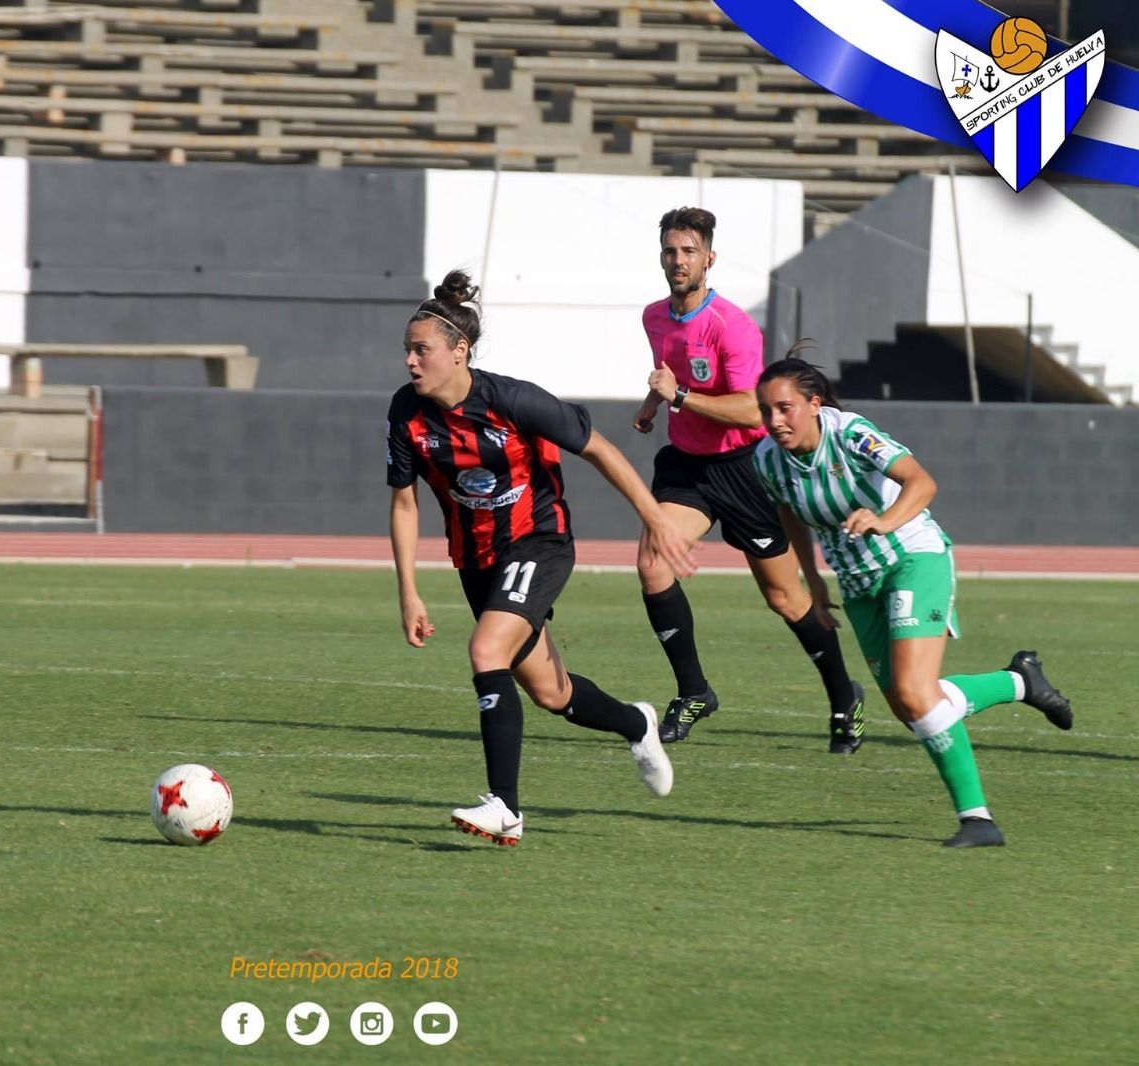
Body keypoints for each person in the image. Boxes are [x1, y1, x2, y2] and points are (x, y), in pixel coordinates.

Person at [388, 270, 697, 846]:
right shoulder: (406, 413)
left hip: (538, 542)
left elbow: (600, 449)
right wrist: (408, 589)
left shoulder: (513, 399)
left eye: (421, 349)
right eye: (407, 349)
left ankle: (505, 808)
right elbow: (404, 503)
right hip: (475, 561)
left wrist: (656, 520)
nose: (410, 360)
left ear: (460, 352)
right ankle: (638, 723)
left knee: (485, 650)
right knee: (552, 693)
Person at [753, 356, 1071, 847]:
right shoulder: (768, 460)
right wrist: (812, 580)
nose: (775, 421)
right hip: (858, 585)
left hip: (913, 558)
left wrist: (884, 520)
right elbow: (788, 510)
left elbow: (922, 482)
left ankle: (978, 820)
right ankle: (1019, 681)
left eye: (785, 408)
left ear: (815, 404)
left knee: (916, 692)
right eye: (765, 411)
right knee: (911, 707)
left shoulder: (852, 434)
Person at [634, 206, 865, 752]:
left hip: (746, 469)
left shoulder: (732, 325)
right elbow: (672, 377)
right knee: (651, 565)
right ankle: (694, 692)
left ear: (709, 258)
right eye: (670, 250)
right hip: (687, 465)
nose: (678, 260)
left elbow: (748, 410)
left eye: (689, 251)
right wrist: (652, 404)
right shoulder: (653, 316)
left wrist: (680, 398)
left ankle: (843, 696)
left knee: (787, 600)